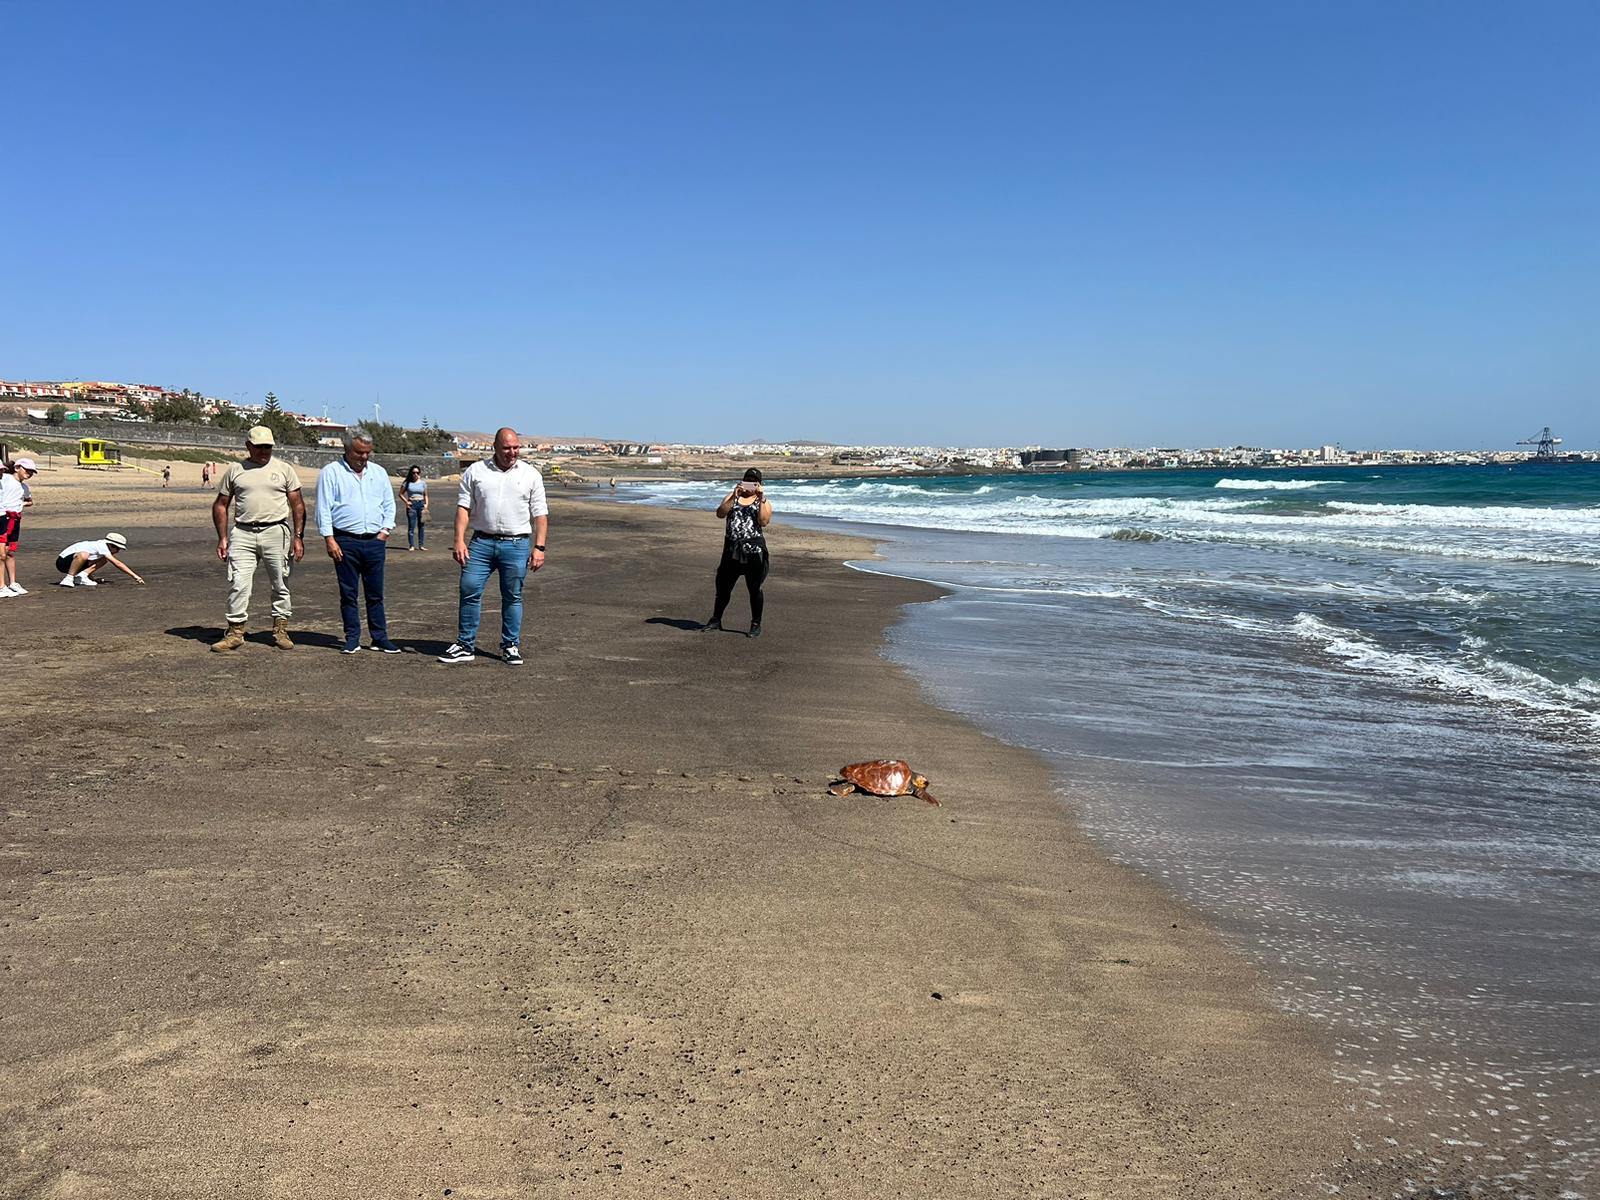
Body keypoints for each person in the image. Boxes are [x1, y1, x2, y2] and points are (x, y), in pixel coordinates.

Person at [437, 427, 547, 666]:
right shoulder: (476, 471)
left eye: (516, 447)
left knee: (512, 596)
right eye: (507, 448)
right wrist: (458, 540)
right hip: (481, 543)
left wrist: (539, 547)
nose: (512, 452)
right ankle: (465, 645)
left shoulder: (531, 474)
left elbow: (540, 513)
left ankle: (510, 645)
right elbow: (463, 508)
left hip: (516, 544)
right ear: (494, 448)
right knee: (469, 589)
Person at [211, 426, 306, 652]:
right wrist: (222, 538)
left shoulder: (284, 469)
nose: (264, 451)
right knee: (238, 583)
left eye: (268, 447)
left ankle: (280, 630)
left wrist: (298, 537)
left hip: (276, 532)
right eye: (259, 446)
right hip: (243, 532)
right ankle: (235, 632)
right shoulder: (235, 470)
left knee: (281, 583)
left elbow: (298, 505)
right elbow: (220, 505)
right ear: (248, 446)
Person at [316, 428, 398, 654]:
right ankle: (352, 638)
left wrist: (385, 531)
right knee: (349, 593)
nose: (363, 457)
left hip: (374, 541)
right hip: (345, 541)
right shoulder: (330, 473)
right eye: (359, 453)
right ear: (346, 449)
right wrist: (329, 539)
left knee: (375, 593)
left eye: (367, 453)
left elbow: (389, 505)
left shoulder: (379, 473)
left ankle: (380, 637)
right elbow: (323, 508)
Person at [705, 468, 772, 637]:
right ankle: (716, 619)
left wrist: (761, 498)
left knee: (755, 589)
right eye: (747, 479)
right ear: (742, 481)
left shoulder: (763, 502)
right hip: (731, 550)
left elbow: (764, 521)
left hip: (754, 551)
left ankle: (755, 624)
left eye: (754, 481)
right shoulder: (731, 497)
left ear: (760, 484)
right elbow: (720, 514)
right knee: (723, 588)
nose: (750, 483)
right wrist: (735, 496)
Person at [0, 457, 38, 597]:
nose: (29, 474)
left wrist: (22, 504)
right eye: (27, 470)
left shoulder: (24, 487)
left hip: (15, 519)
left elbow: (29, 501)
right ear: (17, 468)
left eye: (32, 472)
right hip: (5, 517)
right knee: (2, 553)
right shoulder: (6, 479)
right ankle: (2, 585)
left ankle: (13, 583)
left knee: (10, 552)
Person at [56, 532, 145, 587]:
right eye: (117, 548)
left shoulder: (101, 548)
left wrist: (91, 578)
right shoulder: (102, 546)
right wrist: (135, 576)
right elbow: (118, 564)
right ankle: (68, 578)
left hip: (74, 563)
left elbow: (89, 563)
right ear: (111, 545)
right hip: (63, 563)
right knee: (84, 554)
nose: (117, 551)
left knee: (104, 559)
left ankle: (82, 577)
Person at [400, 465, 429, 550]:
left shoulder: (423, 483)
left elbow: (426, 495)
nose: (415, 474)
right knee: (411, 526)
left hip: (421, 504)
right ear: (411, 473)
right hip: (412, 505)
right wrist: (406, 502)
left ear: (419, 473)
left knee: (421, 526)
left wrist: (426, 504)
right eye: (413, 472)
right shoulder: (407, 483)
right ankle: (411, 545)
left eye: (417, 472)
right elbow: (400, 494)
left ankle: (421, 545)